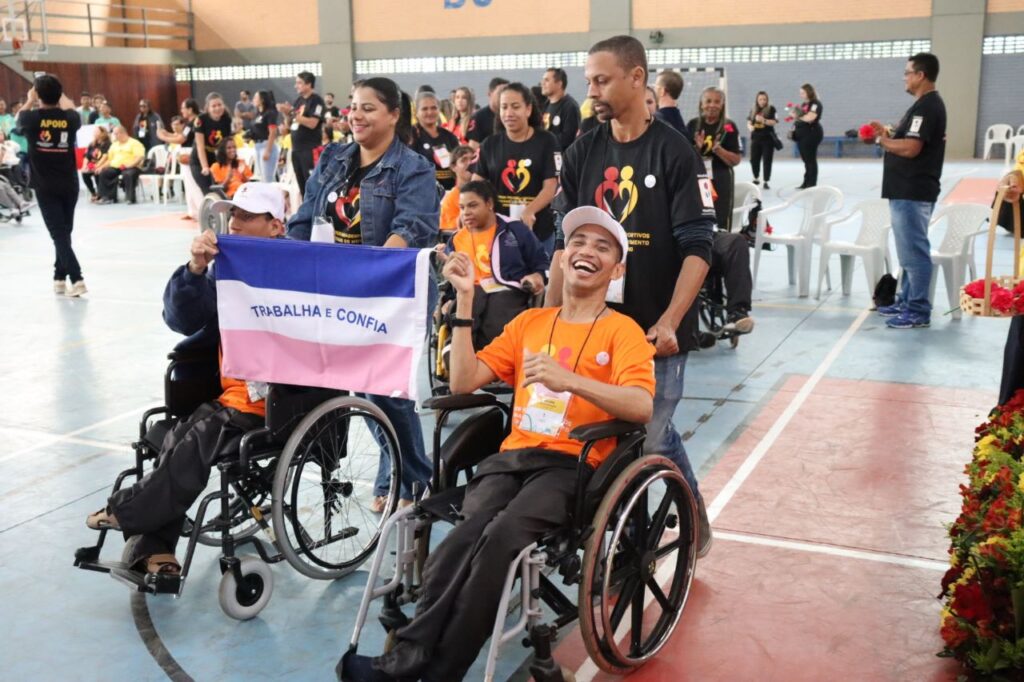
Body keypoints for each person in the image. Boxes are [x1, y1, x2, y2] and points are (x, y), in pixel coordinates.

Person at [338, 206, 655, 682]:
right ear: (563, 255)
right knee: (466, 533)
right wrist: (466, 302)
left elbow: (640, 405)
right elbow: (465, 378)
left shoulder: (622, 331)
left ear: (618, 268)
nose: (587, 251)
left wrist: (572, 381)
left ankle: (441, 667)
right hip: (513, 459)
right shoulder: (530, 324)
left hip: (573, 464)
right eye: (579, 243)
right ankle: (409, 656)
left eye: (602, 247)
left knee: (502, 537)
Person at [549, 35, 717, 557]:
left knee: (646, 438)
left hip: (651, 333)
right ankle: (686, 517)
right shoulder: (582, 152)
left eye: (601, 80)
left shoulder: (674, 152)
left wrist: (669, 321)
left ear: (636, 78)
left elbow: (698, 247)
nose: (592, 90)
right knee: (630, 438)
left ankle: (636, 548)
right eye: (588, 81)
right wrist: (550, 319)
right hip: (595, 330)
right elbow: (564, 244)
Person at [84, 183, 288, 577]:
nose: (236, 223)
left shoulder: (303, 271)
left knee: (196, 435)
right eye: (234, 215)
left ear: (276, 225)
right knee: (172, 433)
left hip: (277, 403)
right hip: (230, 395)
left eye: (247, 216)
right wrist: (195, 269)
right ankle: (156, 548)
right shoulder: (227, 269)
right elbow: (181, 320)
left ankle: (126, 510)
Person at [287, 77, 437, 508]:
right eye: (353, 106)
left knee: (385, 388)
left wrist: (371, 271)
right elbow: (305, 217)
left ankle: (412, 481)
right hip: (337, 291)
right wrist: (283, 258)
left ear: (394, 115)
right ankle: (399, 475)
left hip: (394, 292)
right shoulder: (333, 157)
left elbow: (412, 228)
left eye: (369, 108)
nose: (356, 114)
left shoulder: (414, 167)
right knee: (361, 386)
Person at [870, 53, 946, 330]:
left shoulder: (927, 107)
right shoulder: (921, 107)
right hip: (906, 190)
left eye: (907, 72)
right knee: (907, 253)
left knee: (914, 253)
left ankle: (918, 310)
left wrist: (883, 141)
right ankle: (906, 299)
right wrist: (889, 132)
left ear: (920, 75)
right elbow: (909, 137)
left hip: (912, 190)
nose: (905, 77)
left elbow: (912, 148)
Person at [438, 179, 548, 349]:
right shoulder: (456, 240)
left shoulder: (515, 230)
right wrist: (450, 298)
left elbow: (540, 262)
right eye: (462, 207)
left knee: (496, 309)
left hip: (508, 290)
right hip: (469, 293)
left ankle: (487, 359)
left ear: (489, 203)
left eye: (472, 205)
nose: (466, 212)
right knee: (469, 300)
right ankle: (457, 353)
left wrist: (537, 276)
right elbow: (453, 282)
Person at [472, 82, 559, 257]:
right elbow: (476, 186)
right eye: (504, 107)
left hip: (538, 232)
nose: (509, 113)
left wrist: (530, 210)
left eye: (515, 106)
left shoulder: (546, 141)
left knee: (539, 282)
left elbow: (550, 187)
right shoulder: (490, 144)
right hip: (500, 231)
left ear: (528, 109)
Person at [18, 75, 84, 295]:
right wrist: (60, 92)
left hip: (46, 186)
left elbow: (20, 116)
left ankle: (77, 278)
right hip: (69, 185)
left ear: (37, 95)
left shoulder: (31, 118)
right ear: (59, 94)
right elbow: (71, 107)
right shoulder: (71, 119)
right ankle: (59, 276)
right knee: (64, 232)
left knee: (59, 233)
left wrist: (29, 99)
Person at [688, 86, 742, 232]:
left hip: (721, 178)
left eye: (717, 101)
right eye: (708, 101)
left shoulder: (729, 126)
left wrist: (719, 150)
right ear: (701, 103)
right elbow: (685, 158)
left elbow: (736, 160)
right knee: (698, 215)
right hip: (699, 178)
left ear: (722, 104)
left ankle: (723, 250)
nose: (712, 105)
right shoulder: (693, 125)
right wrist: (697, 149)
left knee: (721, 219)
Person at [279, 70, 326, 196]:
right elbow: (290, 125)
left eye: (299, 83)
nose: (296, 86)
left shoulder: (316, 101)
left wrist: (292, 113)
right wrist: (286, 113)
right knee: (302, 185)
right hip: (296, 149)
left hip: (309, 149)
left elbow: (312, 123)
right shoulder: (298, 101)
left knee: (312, 183)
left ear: (309, 84)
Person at [157, 98, 202, 220]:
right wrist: (166, 134)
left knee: (193, 183)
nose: (182, 111)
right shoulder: (190, 123)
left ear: (190, 109)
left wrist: (163, 137)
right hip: (185, 151)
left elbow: (181, 139)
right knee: (188, 183)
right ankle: (193, 211)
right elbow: (181, 136)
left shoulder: (195, 122)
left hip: (190, 152)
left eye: (183, 108)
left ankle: (201, 211)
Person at [412, 91, 461, 192]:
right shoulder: (411, 136)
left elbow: (459, 165)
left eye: (434, 108)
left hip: (449, 193)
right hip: (422, 193)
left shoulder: (449, 137)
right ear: (416, 112)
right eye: (425, 109)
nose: (430, 112)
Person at [190, 92, 232, 197]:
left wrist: (229, 163)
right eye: (214, 106)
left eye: (219, 105)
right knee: (208, 191)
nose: (217, 108)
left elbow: (227, 144)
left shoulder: (226, 119)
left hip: (215, 159)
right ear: (208, 108)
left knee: (222, 190)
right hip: (199, 160)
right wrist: (205, 167)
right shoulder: (201, 120)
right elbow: (200, 146)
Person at [96, 125, 145, 204]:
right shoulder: (114, 145)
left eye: (115, 134)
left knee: (128, 174)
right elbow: (110, 159)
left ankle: (130, 198)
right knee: (104, 173)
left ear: (122, 133)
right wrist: (102, 167)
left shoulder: (135, 143)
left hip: (131, 166)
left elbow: (139, 158)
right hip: (116, 167)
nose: (114, 136)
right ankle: (108, 197)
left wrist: (129, 165)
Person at [541, 67, 580, 151]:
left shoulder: (570, 106)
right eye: (543, 80)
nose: (542, 83)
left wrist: (544, 141)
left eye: (547, 80)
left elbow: (569, 138)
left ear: (559, 84)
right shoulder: (546, 105)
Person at [439, 145, 475, 233]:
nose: (470, 163)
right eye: (464, 160)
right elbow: (446, 231)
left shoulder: (485, 193)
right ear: (453, 167)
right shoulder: (451, 198)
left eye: (473, 159)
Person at [794, 83, 823, 189]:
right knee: (806, 159)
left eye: (803, 93)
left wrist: (798, 116)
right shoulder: (804, 104)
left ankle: (812, 183)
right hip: (802, 134)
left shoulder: (815, 103)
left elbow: (810, 117)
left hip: (812, 133)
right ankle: (806, 182)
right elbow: (801, 117)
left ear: (809, 92)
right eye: (800, 93)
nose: (801, 95)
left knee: (810, 159)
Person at [466, 77, 508, 150]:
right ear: (489, 94)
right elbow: (473, 147)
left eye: (507, 93)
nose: (504, 97)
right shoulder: (478, 117)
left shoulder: (511, 116)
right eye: (500, 93)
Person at [747, 91, 777, 189]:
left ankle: (766, 180)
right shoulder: (753, 109)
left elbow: (774, 122)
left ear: (767, 100)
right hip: (755, 138)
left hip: (767, 138)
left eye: (764, 99)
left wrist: (763, 120)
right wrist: (750, 126)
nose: (762, 101)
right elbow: (749, 121)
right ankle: (756, 177)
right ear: (757, 100)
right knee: (753, 159)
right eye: (760, 99)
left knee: (767, 160)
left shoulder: (771, 109)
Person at [654, 69, 693, 143]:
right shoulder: (679, 121)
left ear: (662, 91)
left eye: (656, 87)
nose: (654, 90)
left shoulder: (657, 119)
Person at [250, 90, 279, 182]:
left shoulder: (270, 113)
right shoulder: (258, 114)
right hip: (258, 145)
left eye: (255, 97)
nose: (253, 100)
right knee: (262, 177)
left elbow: (273, 132)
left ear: (262, 100)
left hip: (266, 144)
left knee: (268, 177)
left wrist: (268, 150)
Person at [81, 126, 111, 203]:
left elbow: (105, 157)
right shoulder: (92, 144)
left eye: (96, 132)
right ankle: (93, 193)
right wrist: (84, 166)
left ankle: (100, 194)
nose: (94, 133)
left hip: (103, 164)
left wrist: (97, 166)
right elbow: (87, 157)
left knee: (98, 172)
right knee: (84, 173)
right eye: (94, 132)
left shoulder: (107, 143)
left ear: (102, 133)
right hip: (92, 164)